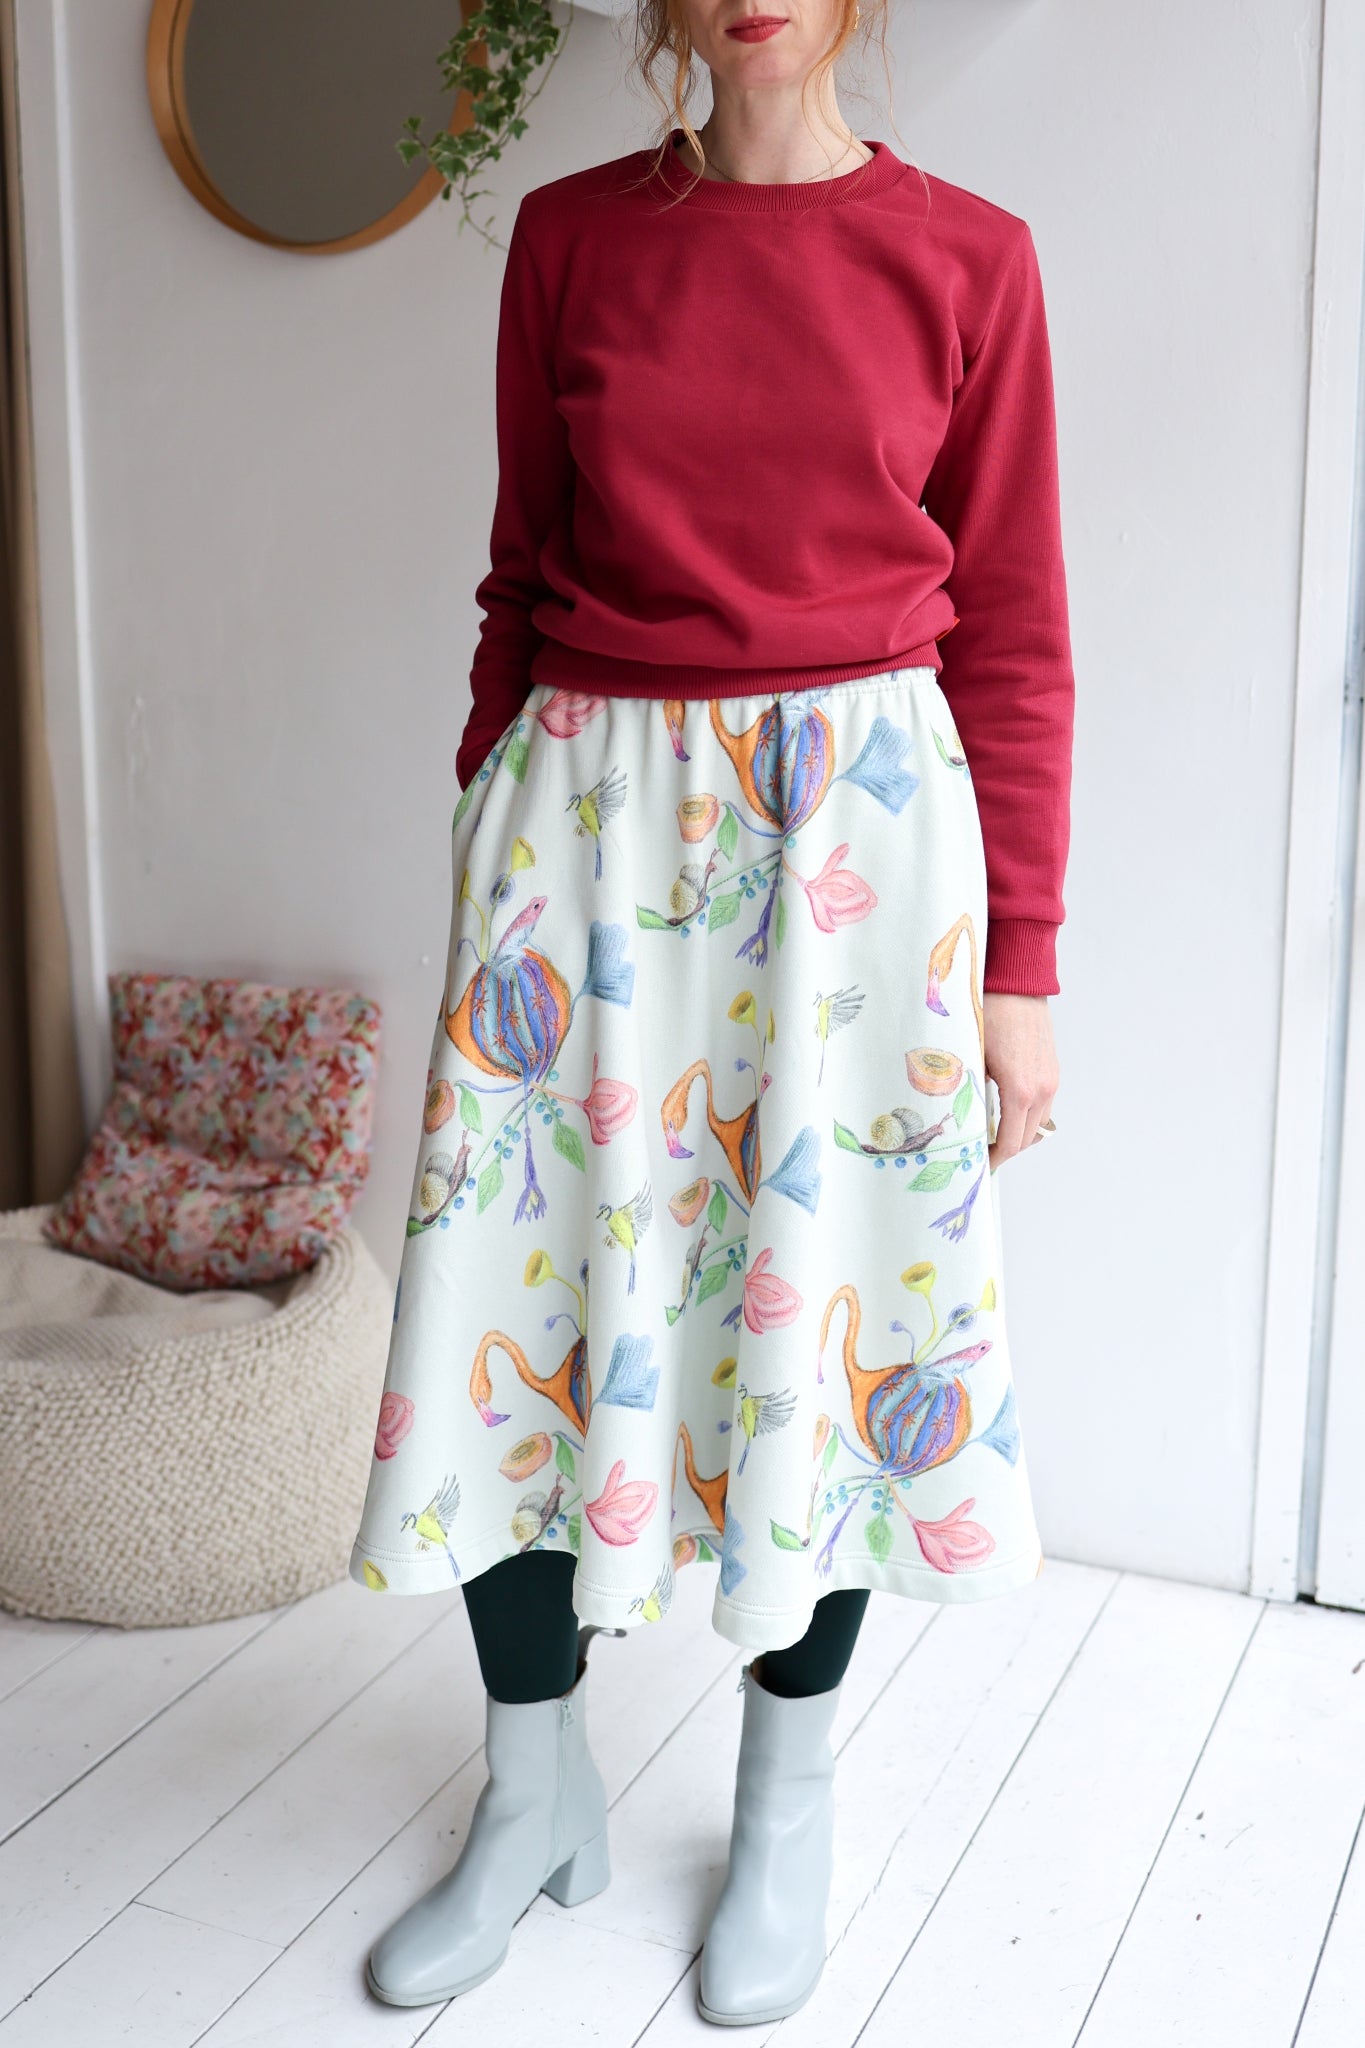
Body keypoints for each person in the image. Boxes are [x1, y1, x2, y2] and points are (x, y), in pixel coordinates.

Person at [349, 0, 1073, 2024]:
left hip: (856, 863)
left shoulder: (969, 259)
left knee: (817, 1328)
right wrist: (491, 817)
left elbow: (1015, 630)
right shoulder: (571, 239)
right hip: (581, 838)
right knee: (505, 1320)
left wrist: (1019, 964)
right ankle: (532, 1793)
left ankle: (784, 1813)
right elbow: (520, 569)